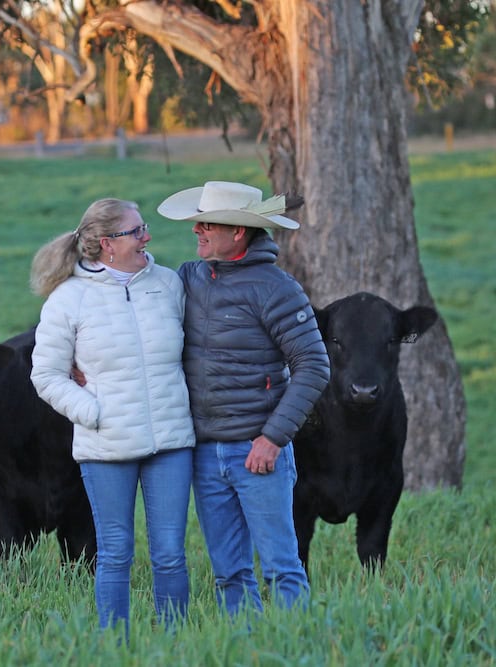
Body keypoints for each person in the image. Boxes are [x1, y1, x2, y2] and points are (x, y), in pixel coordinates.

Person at [155, 180, 330, 616]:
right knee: (228, 573)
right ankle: (243, 649)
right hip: (204, 451)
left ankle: (295, 648)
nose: (197, 229)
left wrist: (272, 438)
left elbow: (314, 366)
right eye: (197, 222)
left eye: (207, 223)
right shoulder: (189, 278)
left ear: (238, 232)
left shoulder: (277, 289)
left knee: (281, 569)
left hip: (257, 451)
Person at [29, 198, 196, 639]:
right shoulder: (69, 299)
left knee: (170, 554)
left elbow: (193, 351)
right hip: (105, 447)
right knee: (116, 552)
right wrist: (93, 413)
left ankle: (173, 642)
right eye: (136, 231)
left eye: (144, 229)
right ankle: (114, 644)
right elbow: (45, 374)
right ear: (107, 244)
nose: (147, 237)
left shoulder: (168, 284)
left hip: (172, 442)